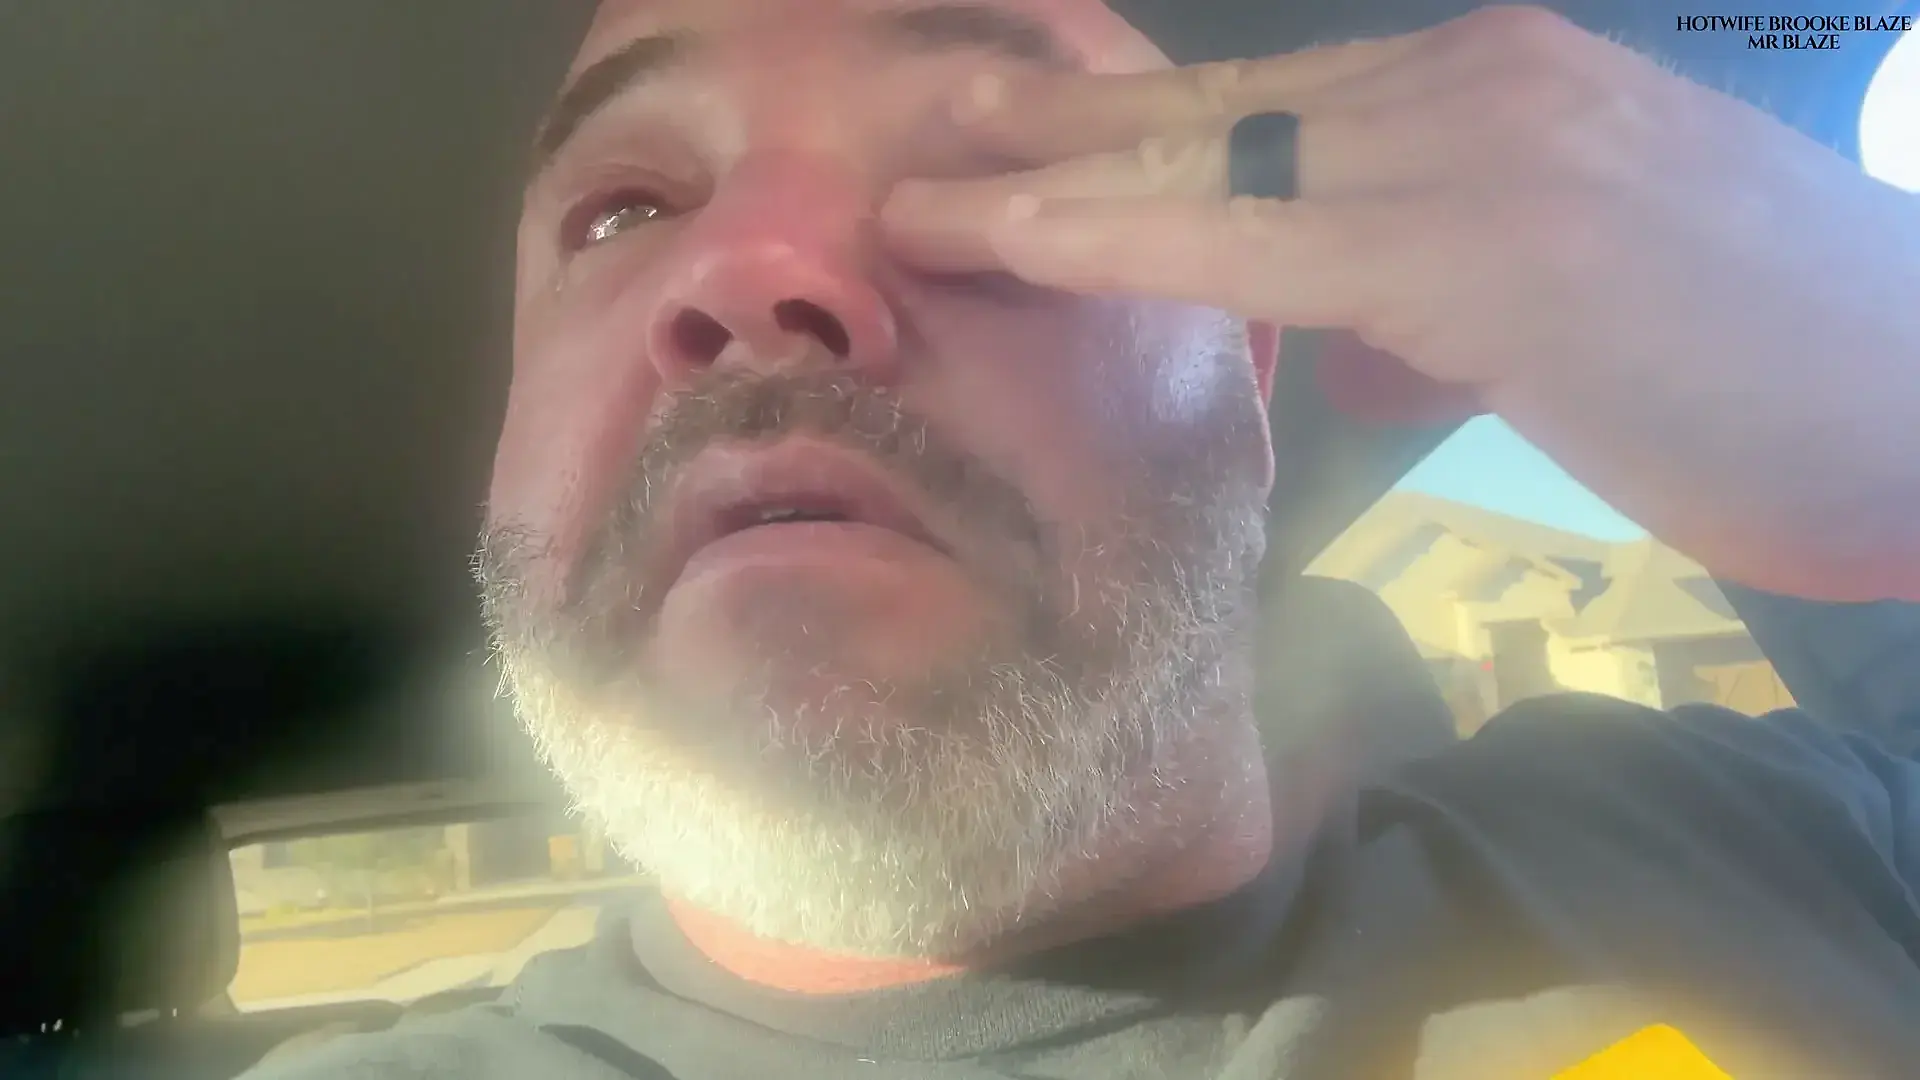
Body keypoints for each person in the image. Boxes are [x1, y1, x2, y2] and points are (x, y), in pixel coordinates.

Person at [248, 0, 1920, 1076]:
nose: (748, 271)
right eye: (624, 210)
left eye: (995, 168)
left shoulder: (1776, 850)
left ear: (1250, 370)